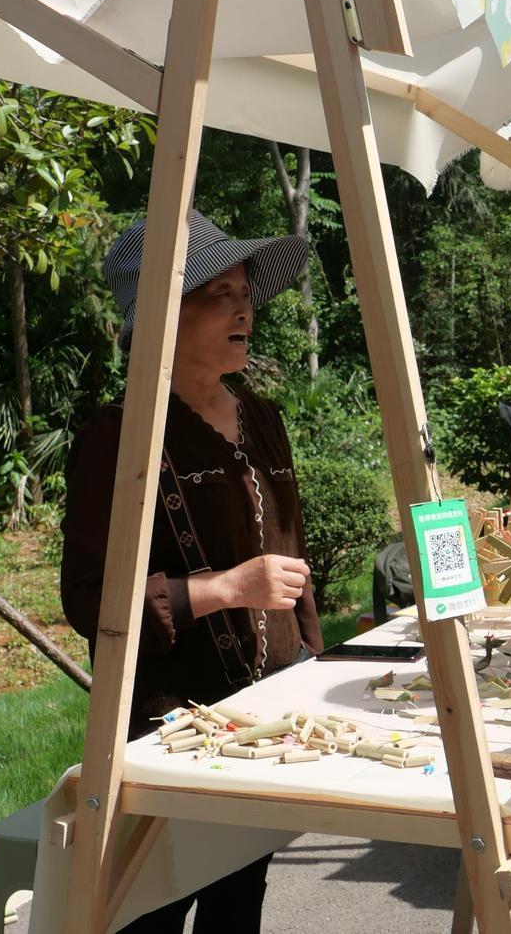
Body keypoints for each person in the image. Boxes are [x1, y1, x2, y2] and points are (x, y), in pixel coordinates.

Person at [61, 211, 324, 934]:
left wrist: (313, 664)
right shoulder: (118, 437)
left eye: (244, 291)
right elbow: (89, 599)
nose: (244, 309)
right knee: (154, 908)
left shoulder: (263, 418)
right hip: (173, 735)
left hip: (266, 721)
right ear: (158, 317)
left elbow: (293, 555)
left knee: (239, 906)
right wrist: (227, 589)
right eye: (218, 293)